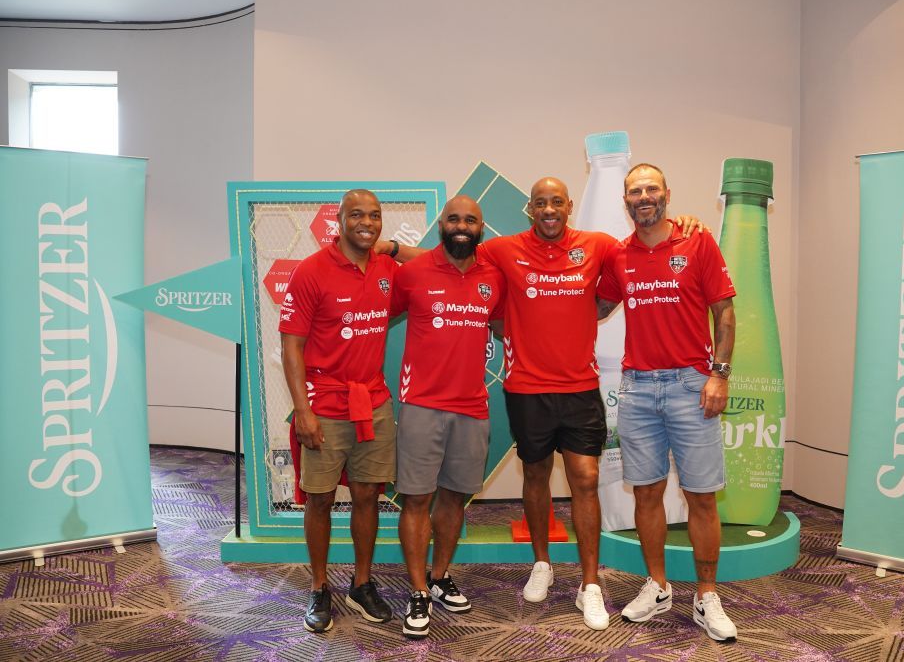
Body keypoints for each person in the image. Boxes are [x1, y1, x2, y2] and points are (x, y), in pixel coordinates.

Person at [381, 177, 702, 631]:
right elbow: (446, 257)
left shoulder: (598, 245)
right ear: (530, 210)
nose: (549, 209)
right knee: (535, 473)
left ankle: (590, 584)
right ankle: (542, 564)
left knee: (585, 479)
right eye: (541, 203)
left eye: (557, 202)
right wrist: (390, 247)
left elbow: (635, 256)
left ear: (569, 206)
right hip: (526, 388)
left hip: (580, 387)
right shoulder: (502, 250)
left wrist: (681, 225)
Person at [596, 163, 738, 642]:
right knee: (647, 493)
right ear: (625, 200)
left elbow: (725, 312)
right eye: (634, 191)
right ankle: (657, 586)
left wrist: (718, 375)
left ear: (666, 194)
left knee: (701, 495)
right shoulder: (619, 255)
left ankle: (706, 594)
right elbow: (592, 307)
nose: (643, 197)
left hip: (690, 386)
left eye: (651, 188)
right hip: (636, 389)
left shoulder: (697, 242)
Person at [280, 189, 397, 633]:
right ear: (340, 221)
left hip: (374, 403)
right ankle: (319, 586)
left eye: (375, 216)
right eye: (357, 216)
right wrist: (302, 410)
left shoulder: (388, 269)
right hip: (324, 406)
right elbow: (291, 346)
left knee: (368, 496)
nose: (367, 223)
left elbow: (439, 262)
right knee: (321, 499)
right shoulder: (311, 272)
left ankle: (362, 584)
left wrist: (395, 247)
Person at [389, 195, 506, 640]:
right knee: (417, 500)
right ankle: (417, 589)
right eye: (454, 218)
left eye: (470, 220)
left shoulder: (493, 277)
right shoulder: (414, 273)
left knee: (455, 497)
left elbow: (503, 324)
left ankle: (438, 578)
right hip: (421, 405)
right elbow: (379, 316)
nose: (462, 225)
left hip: (473, 407)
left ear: (482, 226)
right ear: (442, 224)